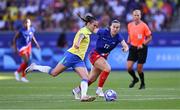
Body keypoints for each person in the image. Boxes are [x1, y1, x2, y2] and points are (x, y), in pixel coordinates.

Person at [25, 13, 98, 102]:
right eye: (94, 25)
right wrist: (78, 43)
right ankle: (34, 67)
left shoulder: (87, 31)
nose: (95, 27)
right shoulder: (84, 31)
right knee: (54, 73)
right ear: (89, 24)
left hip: (78, 59)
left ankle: (82, 95)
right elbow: (81, 36)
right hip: (71, 56)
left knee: (86, 78)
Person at [72, 20, 129, 99]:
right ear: (110, 27)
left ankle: (77, 90)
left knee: (92, 79)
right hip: (95, 55)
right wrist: (84, 30)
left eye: (117, 27)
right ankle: (99, 90)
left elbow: (125, 46)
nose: (115, 29)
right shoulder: (103, 32)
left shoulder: (119, 37)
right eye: (114, 27)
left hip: (103, 57)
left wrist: (125, 49)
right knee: (107, 68)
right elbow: (92, 29)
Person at [127, 9, 152, 89]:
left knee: (139, 68)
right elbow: (129, 34)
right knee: (129, 67)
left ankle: (143, 83)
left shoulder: (144, 25)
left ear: (140, 16)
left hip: (142, 48)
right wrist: (128, 41)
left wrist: (143, 44)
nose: (136, 17)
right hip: (133, 47)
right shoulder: (129, 25)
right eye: (135, 15)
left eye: (138, 15)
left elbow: (150, 37)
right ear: (132, 16)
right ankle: (135, 79)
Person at [12, 18, 40, 83]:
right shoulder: (21, 31)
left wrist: (36, 43)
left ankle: (23, 77)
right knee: (26, 60)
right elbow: (15, 39)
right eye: (25, 22)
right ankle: (17, 72)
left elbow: (32, 36)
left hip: (28, 46)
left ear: (30, 23)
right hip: (21, 47)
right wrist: (15, 48)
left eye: (28, 22)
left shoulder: (32, 29)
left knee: (27, 62)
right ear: (23, 24)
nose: (27, 24)